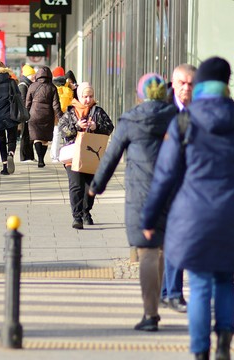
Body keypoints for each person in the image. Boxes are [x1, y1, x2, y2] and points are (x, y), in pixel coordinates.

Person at [142, 57, 234, 360]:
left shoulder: (184, 122)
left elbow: (165, 174)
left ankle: (200, 351)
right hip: (232, 215)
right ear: (226, 85)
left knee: (198, 284)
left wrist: (149, 217)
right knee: (225, 279)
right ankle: (224, 340)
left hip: (191, 215)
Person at [89, 73, 177, 331]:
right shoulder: (177, 117)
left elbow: (111, 155)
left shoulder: (131, 119)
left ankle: (150, 315)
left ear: (140, 95)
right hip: (174, 192)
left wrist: (96, 186)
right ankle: (161, 295)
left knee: (147, 252)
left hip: (142, 193)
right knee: (161, 248)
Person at [161, 63, 197, 313]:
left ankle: (168, 291)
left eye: (191, 83)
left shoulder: (201, 110)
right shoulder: (161, 110)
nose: (186, 88)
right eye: (181, 82)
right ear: (172, 83)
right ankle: (172, 293)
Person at [57, 83, 114, 228]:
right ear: (79, 96)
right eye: (85, 96)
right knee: (76, 186)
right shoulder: (70, 112)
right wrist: (76, 127)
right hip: (73, 156)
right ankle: (77, 217)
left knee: (90, 187)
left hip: (92, 156)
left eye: (90, 96)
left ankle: (86, 211)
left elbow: (110, 127)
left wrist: (97, 127)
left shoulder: (98, 111)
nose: (88, 99)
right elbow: (63, 130)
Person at [26, 66, 63, 168]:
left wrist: (26, 113)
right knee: (45, 139)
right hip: (47, 115)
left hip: (34, 114)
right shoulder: (52, 87)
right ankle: (42, 158)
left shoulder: (32, 86)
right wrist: (60, 116)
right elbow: (56, 105)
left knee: (37, 138)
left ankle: (40, 159)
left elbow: (28, 103)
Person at [51, 66, 74, 163]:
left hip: (56, 113)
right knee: (67, 134)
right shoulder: (68, 87)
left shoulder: (52, 86)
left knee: (56, 134)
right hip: (67, 114)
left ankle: (54, 156)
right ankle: (66, 154)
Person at [18, 65, 36, 163]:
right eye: (32, 75)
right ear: (27, 75)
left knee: (30, 135)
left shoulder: (29, 84)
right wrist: (27, 113)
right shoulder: (23, 85)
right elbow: (23, 101)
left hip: (29, 113)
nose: (34, 76)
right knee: (25, 135)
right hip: (25, 114)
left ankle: (30, 156)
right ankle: (24, 157)